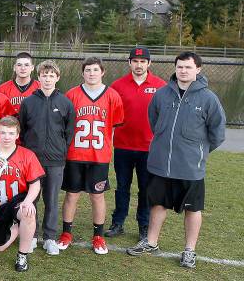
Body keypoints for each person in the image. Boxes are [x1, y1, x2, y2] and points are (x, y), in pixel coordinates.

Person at [127, 52, 226, 269]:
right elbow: (154, 121)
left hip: (190, 167)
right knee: (158, 204)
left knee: (192, 209)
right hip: (161, 164)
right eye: (180, 66)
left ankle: (189, 250)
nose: (183, 71)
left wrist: (199, 152)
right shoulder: (162, 94)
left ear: (198, 70)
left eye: (188, 67)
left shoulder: (208, 98)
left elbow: (217, 133)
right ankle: (151, 242)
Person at [57, 57, 125, 255]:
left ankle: (98, 236)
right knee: (72, 194)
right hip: (75, 154)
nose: (92, 73)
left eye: (95, 70)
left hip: (99, 156)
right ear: (82, 73)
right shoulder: (71, 94)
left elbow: (114, 125)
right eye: (88, 70)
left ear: (102, 72)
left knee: (98, 196)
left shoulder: (112, 95)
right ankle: (66, 233)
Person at [107, 47, 166, 241]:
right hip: (123, 145)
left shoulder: (160, 85)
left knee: (145, 188)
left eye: (142, 61)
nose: (138, 65)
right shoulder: (117, 85)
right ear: (129, 63)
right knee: (122, 186)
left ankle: (144, 224)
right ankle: (118, 222)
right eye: (135, 61)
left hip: (149, 148)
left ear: (149, 63)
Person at [16, 60, 74, 256]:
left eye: (51, 75)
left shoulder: (65, 102)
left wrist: (61, 151)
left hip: (56, 161)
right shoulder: (28, 102)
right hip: (33, 161)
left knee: (51, 200)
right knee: (31, 199)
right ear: (38, 77)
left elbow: (69, 132)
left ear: (57, 78)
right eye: (44, 75)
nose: (47, 79)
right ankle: (32, 235)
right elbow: (22, 131)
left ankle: (49, 237)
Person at [0, 116, 44, 272]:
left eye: (11, 133)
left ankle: (22, 255)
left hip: (16, 201)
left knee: (28, 212)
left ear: (17, 135)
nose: (7, 137)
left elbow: (35, 183)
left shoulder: (27, 155)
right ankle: (16, 226)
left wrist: (28, 201)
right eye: (4, 133)